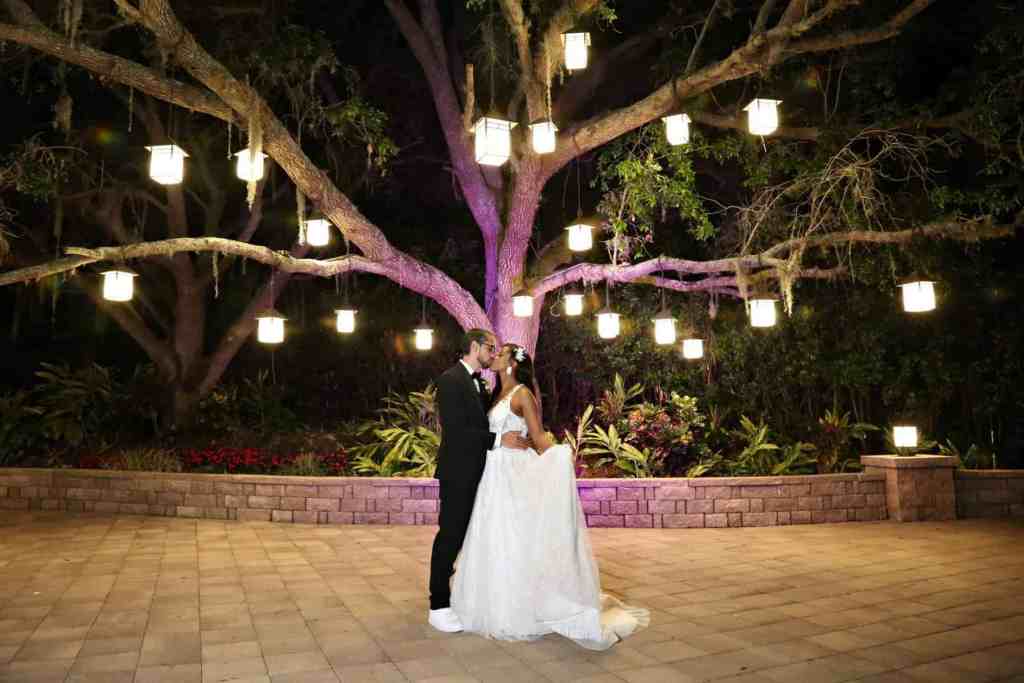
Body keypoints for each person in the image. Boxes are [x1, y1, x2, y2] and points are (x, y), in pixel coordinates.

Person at [450, 343, 650, 650]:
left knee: (513, 537)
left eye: (501, 353)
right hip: (494, 474)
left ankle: (521, 605)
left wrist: (548, 451)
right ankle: (494, 599)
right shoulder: (497, 395)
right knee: (494, 537)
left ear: (512, 364)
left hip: (512, 475)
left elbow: (540, 439)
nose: (495, 356)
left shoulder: (522, 394)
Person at [428, 329, 531, 633]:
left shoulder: (479, 383)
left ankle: (463, 597)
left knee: (471, 538)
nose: (492, 352)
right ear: (474, 347)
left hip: (481, 475)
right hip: (458, 473)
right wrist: (500, 439)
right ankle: (438, 605)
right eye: (489, 347)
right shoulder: (449, 380)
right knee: (450, 536)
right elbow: (457, 432)